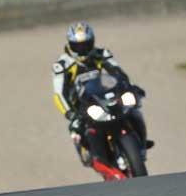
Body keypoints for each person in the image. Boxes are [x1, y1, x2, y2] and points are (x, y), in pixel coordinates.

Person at [51, 22, 152, 181]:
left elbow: (118, 73)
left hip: (104, 97)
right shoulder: (62, 65)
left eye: (86, 45)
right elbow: (59, 94)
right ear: (70, 45)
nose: (83, 50)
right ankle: (94, 156)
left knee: (134, 108)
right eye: (79, 46)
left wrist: (128, 87)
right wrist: (70, 113)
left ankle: (140, 142)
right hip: (82, 107)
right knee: (79, 130)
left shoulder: (101, 54)